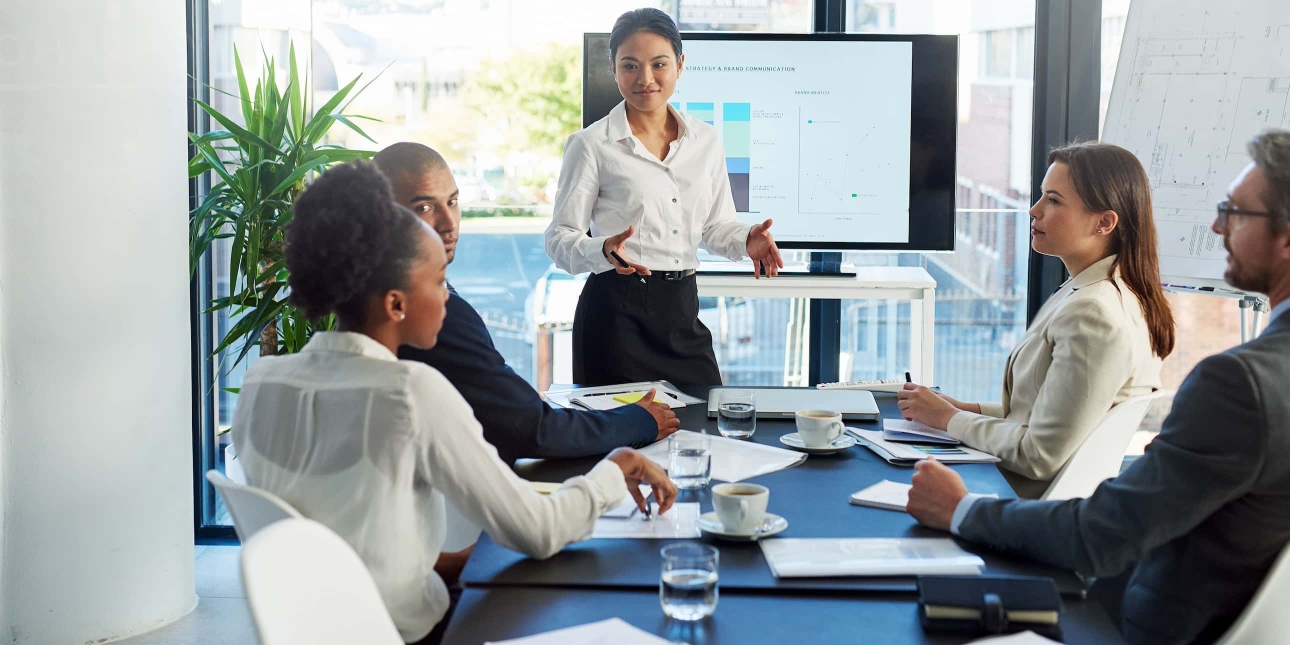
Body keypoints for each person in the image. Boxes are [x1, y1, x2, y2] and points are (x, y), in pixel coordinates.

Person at [230, 161, 678, 645]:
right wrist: (616, 467)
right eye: (440, 280)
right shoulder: (409, 392)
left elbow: (326, 532)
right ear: (396, 304)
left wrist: (434, 559)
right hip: (416, 632)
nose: (449, 297)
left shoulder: (261, 382)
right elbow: (539, 530)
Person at [905, 130, 1290, 645]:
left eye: (1236, 211)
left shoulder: (1238, 384)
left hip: (1135, 623)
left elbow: (1103, 534)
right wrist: (964, 411)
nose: (1217, 225)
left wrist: (959, 509)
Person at [372, 143, 679, 464]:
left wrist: (514, 401)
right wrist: (640, 420)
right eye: (424, 208)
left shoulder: (369, 293)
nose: (449, 223)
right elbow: (531, 431)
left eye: (453, 201)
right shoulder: (428, 309)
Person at [898, 142, 1175, 498]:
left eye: (1054, 200)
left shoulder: (1093, 313)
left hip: (1018, 501)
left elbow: (1039, 454)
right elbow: (1048, 413)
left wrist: (947, 420)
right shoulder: (1103, 291)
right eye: (1042, 196)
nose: (1033, 210)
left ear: (1104, 222)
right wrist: (962, 409)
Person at [544, 8, 784, 392]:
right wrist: (602, 249)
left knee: (707, 431)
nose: (645, 79)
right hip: (615, 317)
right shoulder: (590, 145)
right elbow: (558, 239)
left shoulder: (705, 141)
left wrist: (745, 238)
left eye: (659, 64)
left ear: (680, 64)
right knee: (624, 443)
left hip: (682, 309)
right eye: (630, 66)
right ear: (613, 68)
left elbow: (713, 226)